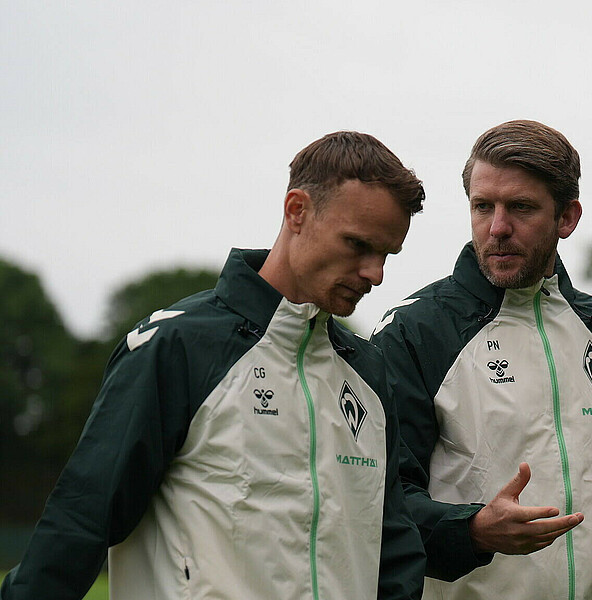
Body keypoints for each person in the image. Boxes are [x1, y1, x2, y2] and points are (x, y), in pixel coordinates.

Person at [1, 132, 427, 600]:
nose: (376, 273)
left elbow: (395, 551)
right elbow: (81, 521)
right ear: (297, 211)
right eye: (358, 245)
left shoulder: (369, 374)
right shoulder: (177, 345)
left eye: (387, 254)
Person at [371, 120, 592, 599]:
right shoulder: (415, 331)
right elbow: (382, 499)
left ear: (567, 218)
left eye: (521, 208)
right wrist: (474, 530)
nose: (497, 227)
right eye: (482, 206)